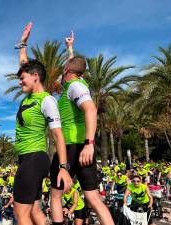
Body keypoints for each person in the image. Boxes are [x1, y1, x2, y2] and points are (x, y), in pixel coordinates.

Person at [13, 22, 72, 225]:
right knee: (35, 211)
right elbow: (25, 66)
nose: (20, 81)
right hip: (27, 159)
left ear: (36, 77)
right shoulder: (29, 97)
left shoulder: (46, 100)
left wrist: (63, 167)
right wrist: (23, 44)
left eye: (23, 79)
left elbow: (58, 135)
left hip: (34, 158)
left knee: (21, 214)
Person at [57, 31, 115, 225]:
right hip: (80, 148)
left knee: (55, 195)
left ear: (66, 71)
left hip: (74, 146)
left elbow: (91, 108)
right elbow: (74, 65)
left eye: (63, 70)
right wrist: (70, 48)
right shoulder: (78, 81)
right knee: (93, 198)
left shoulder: (75, 87)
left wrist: (89, 144)